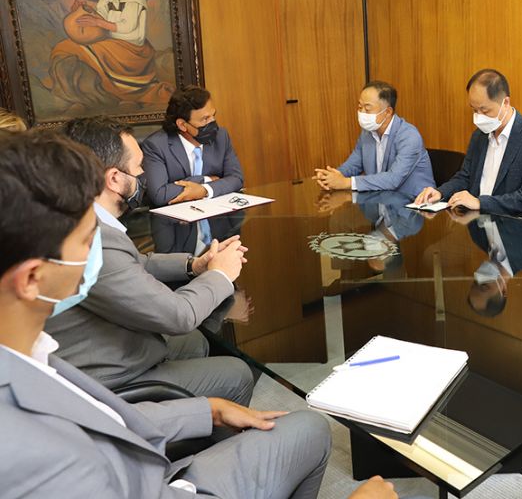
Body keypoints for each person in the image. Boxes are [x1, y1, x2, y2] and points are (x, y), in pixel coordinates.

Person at [0, 129, 336, 499]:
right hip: (164, 485)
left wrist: (206, 412)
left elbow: (99, 418)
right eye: (87, 241)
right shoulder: (34, 455)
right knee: (311, 427)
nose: (96, 252)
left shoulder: (28, 352)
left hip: (139, 452)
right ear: (31, 278)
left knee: (203, 351)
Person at [44, 116, 255, 406]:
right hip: (104, 375)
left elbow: (132, 263)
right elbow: (178, 315)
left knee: (195, 341)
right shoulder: (92, 237)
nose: (144, 174)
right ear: (114, 178)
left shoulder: (69, 214)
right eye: (138, 167)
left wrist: (193, 265)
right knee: (237, 373)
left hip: (95, 342)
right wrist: (219, 275)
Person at [44, 0, 173, 110]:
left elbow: (128, 26)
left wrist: (99, 22)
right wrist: (85, 10)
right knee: (65, 47)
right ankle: (73, 92)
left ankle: (100, 97)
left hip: (129, 44)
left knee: (79, 51)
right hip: (110, 37)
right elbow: (103, 10)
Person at [413, 69, 522, 222]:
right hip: (482, 221)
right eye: (474, 110)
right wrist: (440, 193)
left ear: (505, 103)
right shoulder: (479, 136)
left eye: (485, 110)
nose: (479, 117)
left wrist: (480, 203)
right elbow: (465, 177)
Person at [315, 81, 435, 199]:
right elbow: (354, 164)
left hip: (414, 204)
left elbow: (393, 179)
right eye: (360, 107)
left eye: (367, 109)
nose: (361, 113)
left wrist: (347, 182)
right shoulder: (367, 133)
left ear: (387, 112)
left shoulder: (409, 136)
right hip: (381, 202)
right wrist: (332, 176)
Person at [142, 85, 245, 206]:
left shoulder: (221, 137)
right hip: (177, 215)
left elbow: (236, 179)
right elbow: (159, 194)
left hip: (215, 211)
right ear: (182, 125)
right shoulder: (156, 145)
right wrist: (206, 180)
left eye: (213, 115)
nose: (212, 123)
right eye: (205, 119)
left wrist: (204, 190)